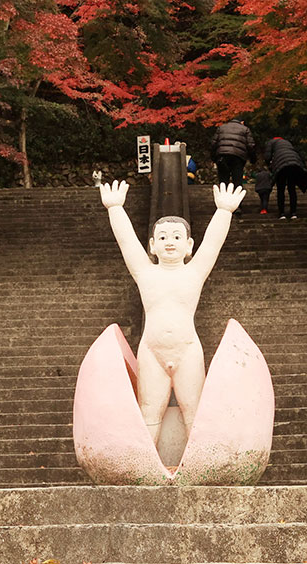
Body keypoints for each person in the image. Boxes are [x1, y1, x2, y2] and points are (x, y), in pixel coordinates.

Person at [99, 179, 246, 444]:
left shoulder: (194, 272)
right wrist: (115, 208)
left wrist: (224, 211)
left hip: (187, 350)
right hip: (151, 351)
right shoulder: (145, 273)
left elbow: (212, 244)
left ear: (189, 245)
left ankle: (199, 460)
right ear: (152, 245)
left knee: (195, 410)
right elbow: (127, 243)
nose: (170, 242)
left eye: (177, 237)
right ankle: (147, 463)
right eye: (163, 238)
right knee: (149, 411)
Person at [210, 118, 255, 215]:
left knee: (223, 181)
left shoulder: (221, 127)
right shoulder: (245, 129)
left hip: (222, 156)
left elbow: (213, 143)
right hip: (238, 156)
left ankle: (223, 206)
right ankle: (237, 207)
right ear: (242, 122)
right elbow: (250, 145)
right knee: (237, 181)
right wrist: (253, 159)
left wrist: (214, 158)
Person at [264, 135, 307, 219]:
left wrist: (269, 166)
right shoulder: (288, 143)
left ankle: (282, 213)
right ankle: (293, 212)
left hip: (280, 165)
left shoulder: (271, 142)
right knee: (292, 189)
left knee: (281, 189)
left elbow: (267, 156)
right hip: (294, 164)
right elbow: (298, 154)